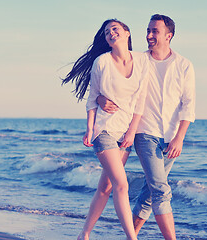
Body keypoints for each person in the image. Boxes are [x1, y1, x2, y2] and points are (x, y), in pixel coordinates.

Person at [97, 14, 196, 240]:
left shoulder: (184, 65)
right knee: (160, 189)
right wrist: (101, 99)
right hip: (145, 132)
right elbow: (114, 84)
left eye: (155, 31)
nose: (149, 35)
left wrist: (180, 138)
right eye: (148, 30)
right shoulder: (138, 60)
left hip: (171, 138)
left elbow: (189, 105)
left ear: (169, 36)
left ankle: (132, 234)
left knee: (150, 193)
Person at [61, 19, 149, 240]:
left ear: (127, 33)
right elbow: (92, 99)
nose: (111, 33)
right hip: (105, 131)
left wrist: (132, 131)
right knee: (122, 184)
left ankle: (84, 233)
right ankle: (132, 237)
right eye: (107, 32)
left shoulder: (141, 60)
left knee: (105, 187)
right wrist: (89, 130)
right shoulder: (102, 62)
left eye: (115, 29)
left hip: (125, 133)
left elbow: (141, 100)